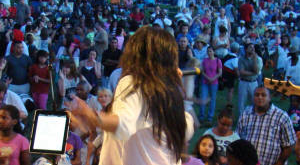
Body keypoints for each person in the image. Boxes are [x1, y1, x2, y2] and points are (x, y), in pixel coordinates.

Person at [68, 26, 194, 165]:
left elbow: (123, 123)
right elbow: (186, 129)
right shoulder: (170, 91)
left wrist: (94, 117)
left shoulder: (133, 82)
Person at [237, 87, 296, 165]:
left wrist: (280, 162)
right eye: (257, 95)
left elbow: (289, 145)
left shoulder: (282, 117)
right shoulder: (245, 114)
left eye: (263, 95)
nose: (260, 97)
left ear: (269, 97)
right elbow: (238, 139)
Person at [5, 41, 33, 106]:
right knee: (12, 103)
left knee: (25, 103)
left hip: (24, 85)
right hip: (12, 86)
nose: (21, 49)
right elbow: (4, 72)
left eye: (22, 47)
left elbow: (31, 71)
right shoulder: (8, 58)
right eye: (18, 47)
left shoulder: (27, 58)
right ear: (14, 48)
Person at [200, 46, 222, 125]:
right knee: (203, 98)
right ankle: (201, 117)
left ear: (214, 52)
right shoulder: (204, 61)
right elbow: (202, 71)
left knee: (212, 99)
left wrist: (213, 78)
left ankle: (210, 117)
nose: (209, 53)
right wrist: (207, 77)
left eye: (210, 51)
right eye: (208, 51)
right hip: (205, 82)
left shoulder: (217, 61)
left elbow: (220, 72)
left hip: (214, 82)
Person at [237, 43, 259, 115]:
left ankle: (255, 117)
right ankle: (241, 118)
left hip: (253, 82)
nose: (252, 49)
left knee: (255, 101)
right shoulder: (242, 59)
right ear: (246, 49)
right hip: (244, 82)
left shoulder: (257, 58)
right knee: (241, 102)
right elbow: (242, 72)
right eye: (250, 47)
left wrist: (255, 59)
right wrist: (253, 73)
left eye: (253, 47)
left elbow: (256, 70)